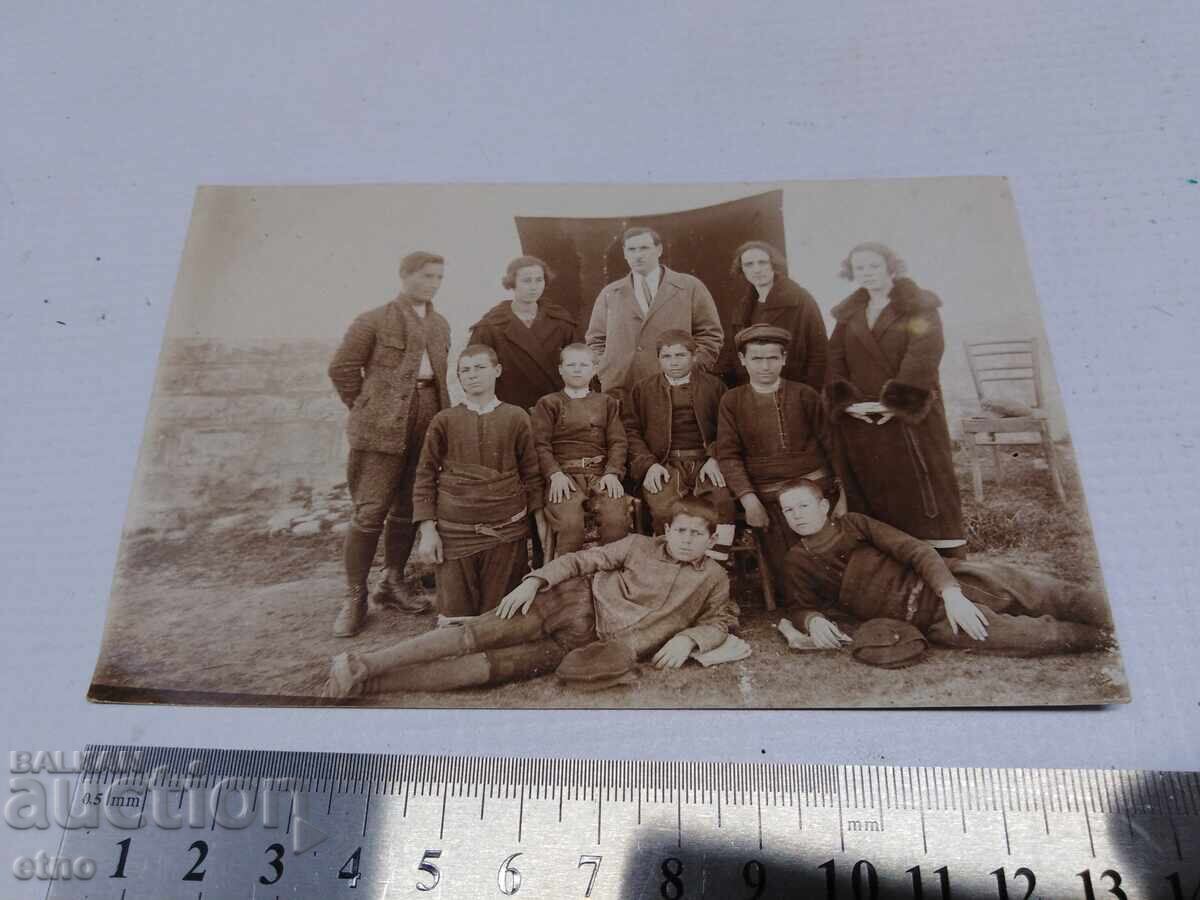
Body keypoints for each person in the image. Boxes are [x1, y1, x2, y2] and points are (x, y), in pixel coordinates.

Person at [320, 498, 739, 698]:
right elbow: (580, 560)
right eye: (680, 531)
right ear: (666, 530)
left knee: (491, 669)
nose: (686, 540)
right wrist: (535, 582)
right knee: (477, 635)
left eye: (696, 534)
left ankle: (368, 682)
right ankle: (361, 664)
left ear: (711, 538)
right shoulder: (636, 545)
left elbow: (722, 618)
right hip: (570, 601)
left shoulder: (713, 577)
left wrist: (691, 639)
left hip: (585, 645)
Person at [775, 479, 1113, 655]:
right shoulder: (797, 560)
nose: (798, 515)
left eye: (803, 505)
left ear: (823, 505)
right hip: (927, 620)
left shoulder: (855, 524)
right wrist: (813, 620)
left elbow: (915, 551)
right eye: (789, 511)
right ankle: (1106, 641)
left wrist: (952, 594)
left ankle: (1122, 620)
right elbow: (799, 606)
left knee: (1045, 592)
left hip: (952, 582)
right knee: (1032, 638)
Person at [327, 250, 451, 637]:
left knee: (408, 506)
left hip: (428, 418)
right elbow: (342, 369)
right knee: (370, 509)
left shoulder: (441, 324)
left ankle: (392, 581)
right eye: (426, 276)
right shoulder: (373, 320)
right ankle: (354, 596)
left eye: (438, 278)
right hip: (380, 426)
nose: (432, 284)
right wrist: (367, 408)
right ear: (404, 276)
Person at [826, 242, 965, 553]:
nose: (867, 273)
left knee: (922, 489)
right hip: (863, 417)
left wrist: (896, 403)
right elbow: (834, 357)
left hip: (911, 417)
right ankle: (888, 560)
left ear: (890, 267)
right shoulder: (848, 314)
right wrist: (847, 403)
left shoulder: (919, 306)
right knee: (874, 489)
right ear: (852, 272)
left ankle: (941, 562)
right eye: (860, 268)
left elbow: (924, 355)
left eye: (874, 266)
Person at [410, 345, 543, 617]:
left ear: (497, 371)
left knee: (500, 619)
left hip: (505, 532)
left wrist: (539, 527)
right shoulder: (444, 420)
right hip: (454, 534)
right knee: (455, 618)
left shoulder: (516, 417)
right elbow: (425, 474)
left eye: (480, 368)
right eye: (465, 370)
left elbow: (532, 474)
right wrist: (428, 531)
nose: (472, 375)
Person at [716, 324, 832, 593]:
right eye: (756, 358)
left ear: (784, 359)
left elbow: (832, 446)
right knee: (790, 580)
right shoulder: (732, 401)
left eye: (772, 358)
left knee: (828, 559)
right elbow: (729, 455)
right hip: (768, 496)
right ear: (743, 361)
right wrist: (749, 499)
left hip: (814, 488)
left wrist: (844, 497)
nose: (765, 366)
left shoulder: (805, 395)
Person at [623, 329, 736, 560]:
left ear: (694, 357)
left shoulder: (714, 387)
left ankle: (714, 565)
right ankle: (670, 564)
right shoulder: (643, 390)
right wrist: (648, 465)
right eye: (666, 356)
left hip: (705, 462)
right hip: (664, 463)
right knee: (664, 507)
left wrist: (715, 457)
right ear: (658, 359)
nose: (673, 362)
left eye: (680, 356)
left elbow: (729, 428)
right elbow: (630, 432)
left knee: (721, 501)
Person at [585, 226, 724, 396]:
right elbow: (595, 340)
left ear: (659, 250)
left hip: (675, 386)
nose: (638, 255)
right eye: (632, 249)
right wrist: (608, 370)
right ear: (625, 253)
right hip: (621, 390)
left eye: (644, 248)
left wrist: (690, 368)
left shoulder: (689, 287)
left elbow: (710, 335)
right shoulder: (610, 293)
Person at [531, 344, 629, 557]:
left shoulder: (606, 402)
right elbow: (540, 444)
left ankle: (611, 577)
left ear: (594, 369)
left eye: (583, 365)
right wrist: (554, 474)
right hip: (564, 478)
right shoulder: (549, 403)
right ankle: (567, 583)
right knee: (570, 525)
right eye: (571, 364)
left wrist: (612, 473)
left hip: (600, 474)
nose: (577, 369)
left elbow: (618, 442)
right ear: (560, 369)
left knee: (616, 521)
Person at [468, 255, 578, 411]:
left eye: (539, 280)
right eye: (527, 281)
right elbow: (472, 371)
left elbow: (580, 365)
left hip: (556, 409)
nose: (534, 286)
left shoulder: (561, 322)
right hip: (508, 410)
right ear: (512, 283)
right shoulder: (491, 326)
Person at [720, 241, 828, 391]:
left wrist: (809, 392)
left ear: (773, 264)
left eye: (762, 262)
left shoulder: (799, 299)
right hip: (755, 390)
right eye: (749, 264)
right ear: (742, 269)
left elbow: (819, 350)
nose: (757, 269)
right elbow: (734, 353)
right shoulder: (743, 306)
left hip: (794, 388)